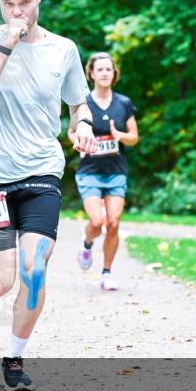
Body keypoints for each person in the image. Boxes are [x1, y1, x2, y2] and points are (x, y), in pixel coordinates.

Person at [0, 0, 96, 391]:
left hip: (41, 171)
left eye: (23, 1)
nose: (16, 11)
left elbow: (79, 103)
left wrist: (84, 126)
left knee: (34, 269)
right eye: (7, 3)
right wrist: (7, 45)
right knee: (2, 282)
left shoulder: (64, 49)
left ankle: (14, 360)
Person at [68, 52, 139, 291]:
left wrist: (120, 136)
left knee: (114, 223)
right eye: (100, 70)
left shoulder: (124, 103)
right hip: (89, 171)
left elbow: (134, 137)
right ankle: (87, 243)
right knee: (97, 221)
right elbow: (71, 131)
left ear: (114, 73)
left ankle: (106, 273)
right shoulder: (83, 102)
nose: (105, 73)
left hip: (116, 171)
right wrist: (79, 142)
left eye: (109, 69)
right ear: (91, 73)